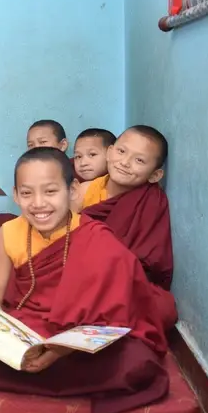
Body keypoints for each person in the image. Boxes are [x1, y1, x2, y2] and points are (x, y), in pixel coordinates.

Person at [0, 147, 176, 413]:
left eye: (50, 191)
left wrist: (60, 351)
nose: (38, 204)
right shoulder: (9, 233)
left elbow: (114, 319)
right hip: (27, 328)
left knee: (138, 363)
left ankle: (23, 377)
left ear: (72, 190)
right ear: (15, 195)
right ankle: (52, 378)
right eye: (27, 193)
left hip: (77, 344)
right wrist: (8, 345)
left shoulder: (97, 238)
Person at [78, 125, 174, 292]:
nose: (125, 163)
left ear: (155, 175)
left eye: (139, 160)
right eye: (121, 151)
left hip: (118, 282)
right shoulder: (84, 191)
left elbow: (151, 263)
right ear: (109, 152)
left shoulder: (151, 202)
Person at [0, 119, 72, 235]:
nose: (36, 148)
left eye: (43, 142)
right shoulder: (25, 171)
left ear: (63, 145)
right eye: (31, 145)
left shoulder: (73, 171)